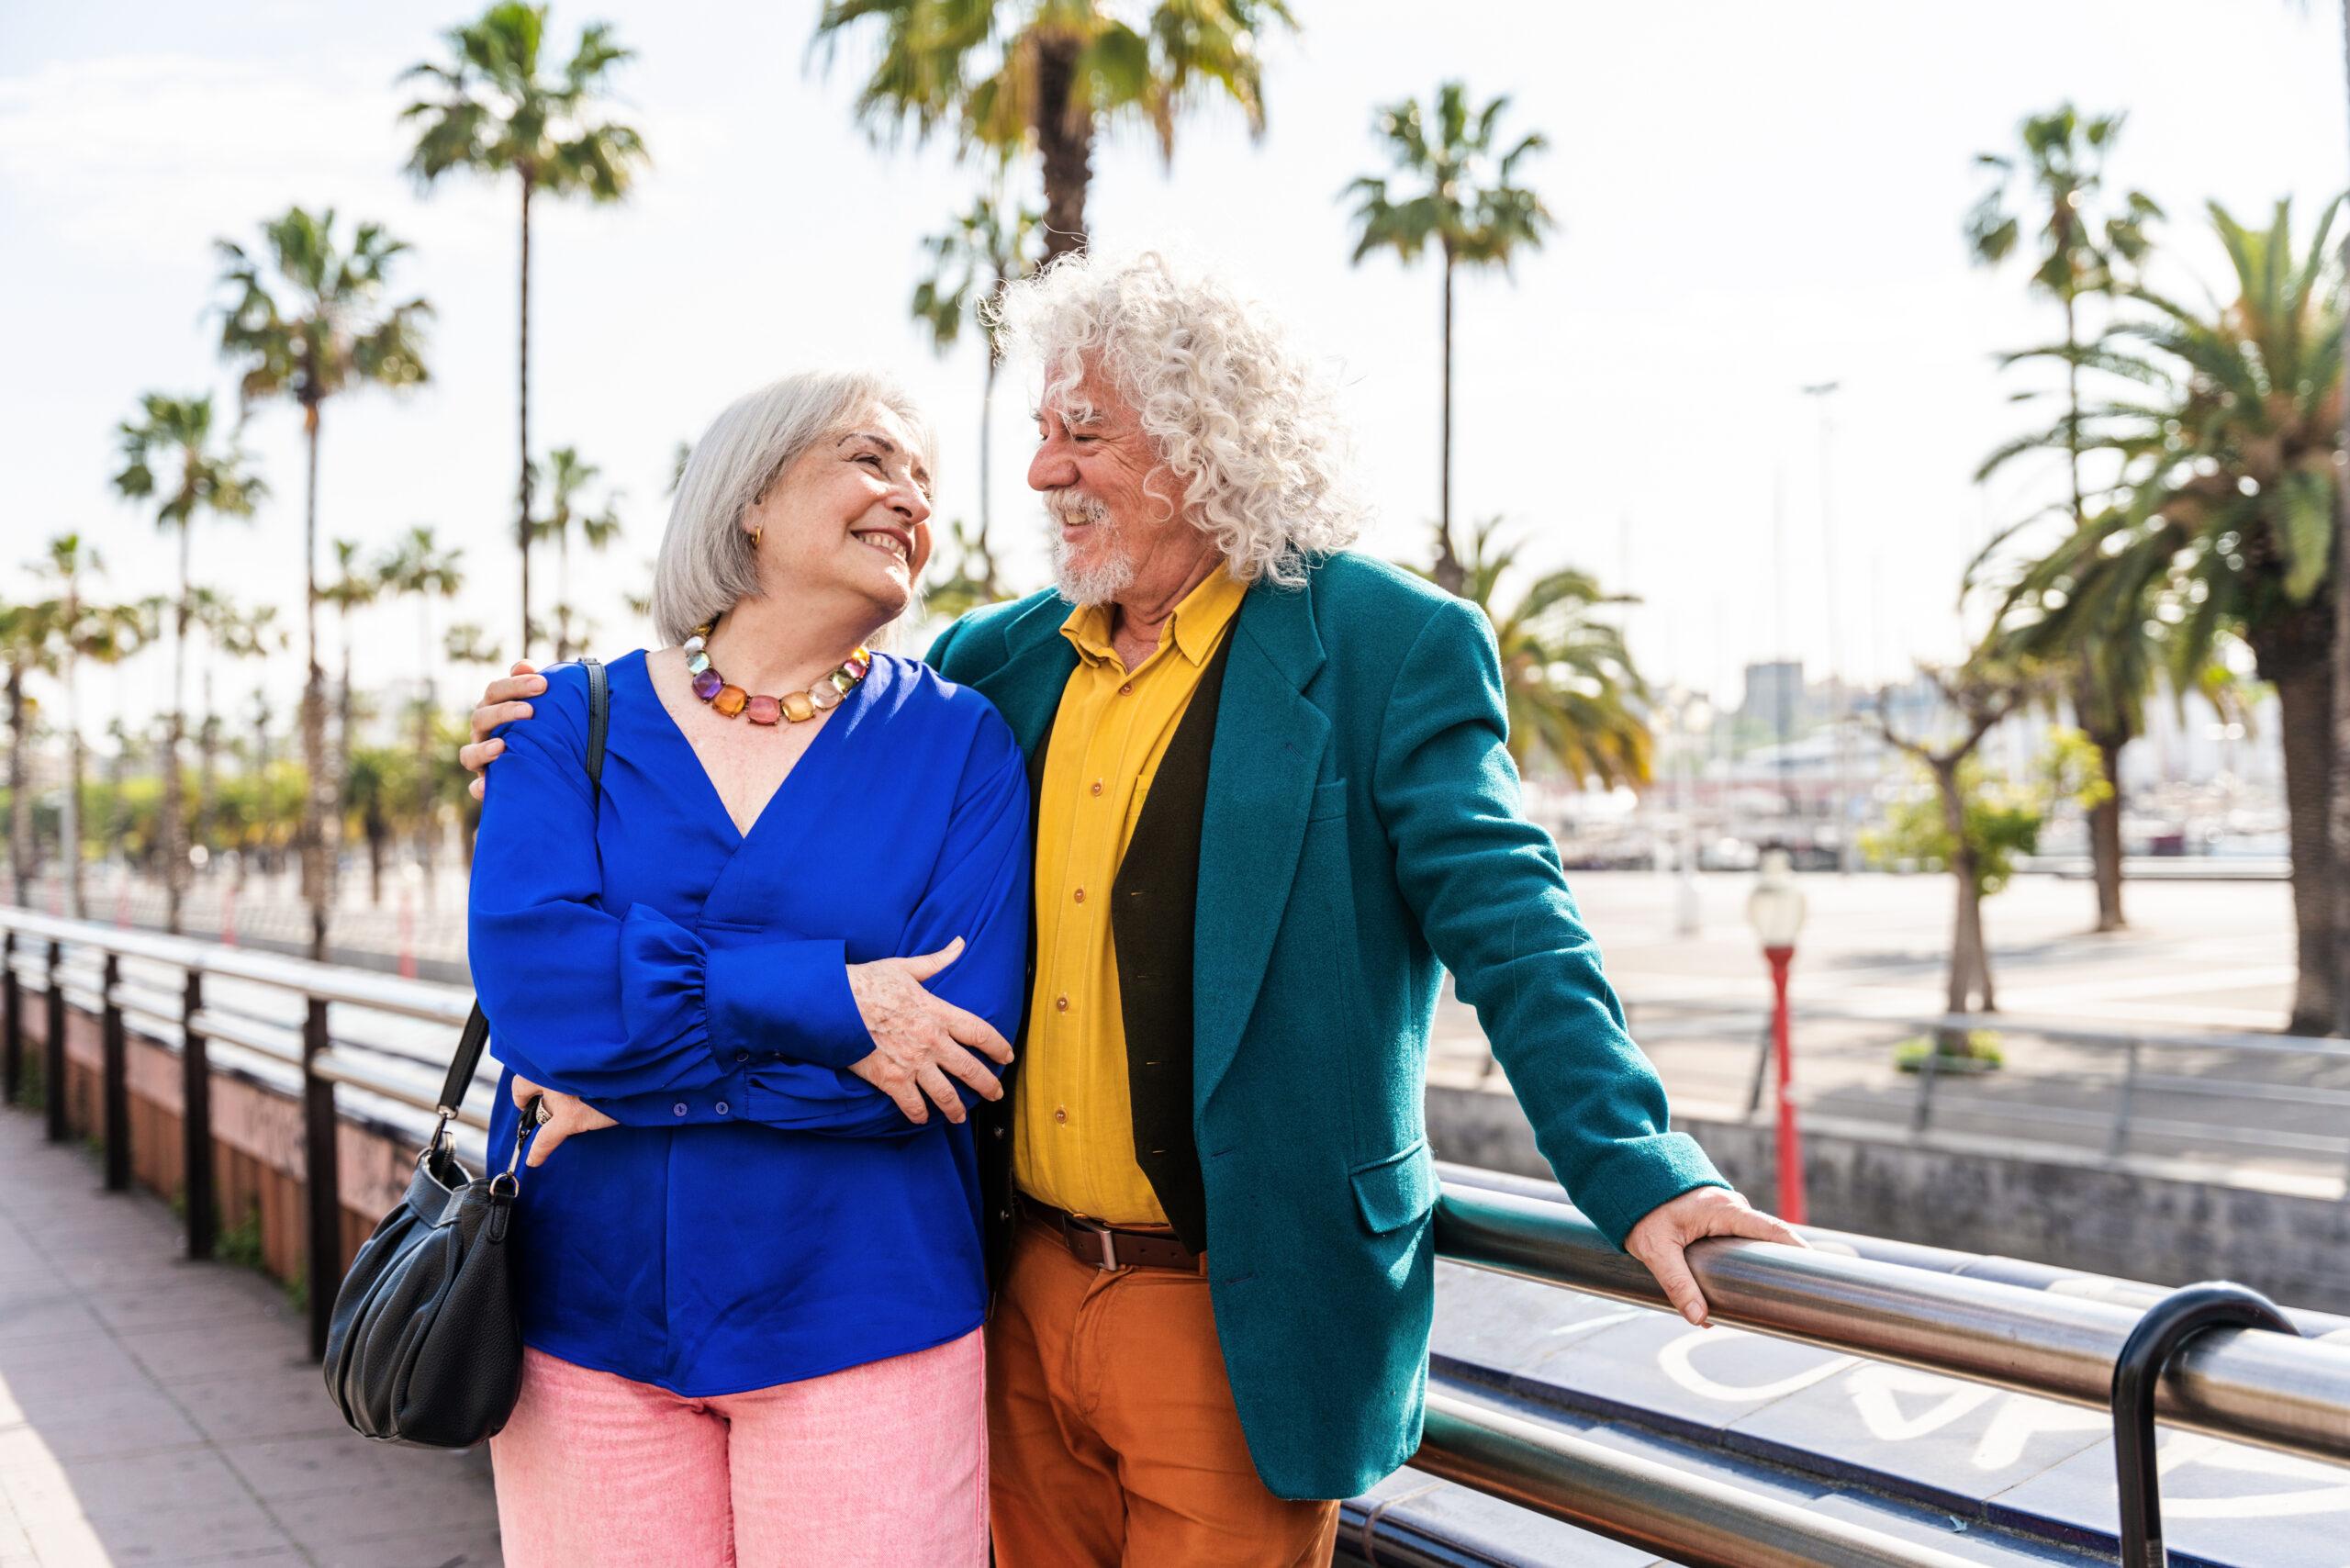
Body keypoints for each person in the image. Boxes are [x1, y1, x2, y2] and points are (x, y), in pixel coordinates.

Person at [464, 252, 1801, 1567]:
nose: (1043, 469)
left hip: (1236, 1309)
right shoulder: (1001, 664)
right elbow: (782, 714)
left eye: (1083, 432)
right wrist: (542, 728)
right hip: (1015, 1290)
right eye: (1043, 432)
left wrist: (1639, 1168)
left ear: (1211, 439)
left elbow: (1516, 928)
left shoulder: (1390, 648)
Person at [465, 368, 1030, 1568]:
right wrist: (834, 1003)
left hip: (869, 1314)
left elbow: (952, 1051)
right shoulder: (566, 721)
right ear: (751, 500)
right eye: (874, 459)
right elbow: (536, 990)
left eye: (925, 481)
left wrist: (623, 1090)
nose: (911, 497)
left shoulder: (961, 741)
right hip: (584, 1321)